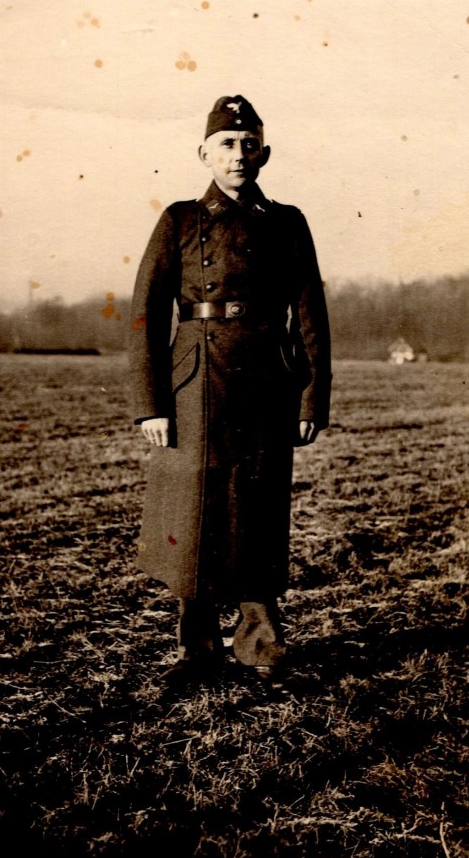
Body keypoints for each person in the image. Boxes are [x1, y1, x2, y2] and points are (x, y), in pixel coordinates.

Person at [128, 95, 331, 687]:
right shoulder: (180, 219)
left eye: (248, 144)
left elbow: (310, 314)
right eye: (226, 144)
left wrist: (312, 397)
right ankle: (198, 648)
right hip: (196, 381)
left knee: (260, 505)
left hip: (268, 377)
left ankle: (261, 643)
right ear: (204, 153)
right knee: (196, 508)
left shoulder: (288, 222)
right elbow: (145, 313)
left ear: (263, 152)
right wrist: (151, 404)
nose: (238, 155)